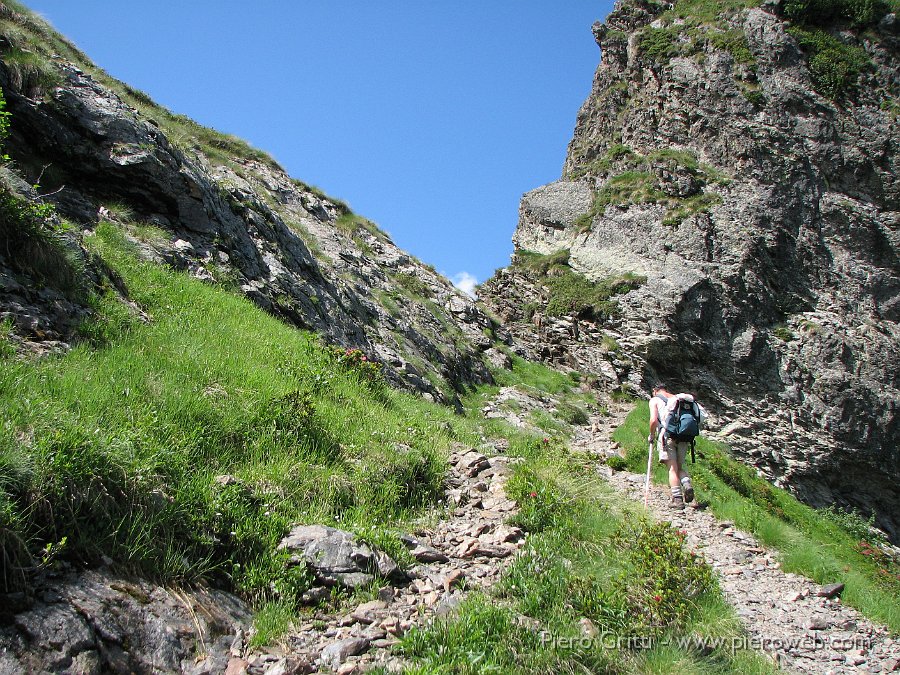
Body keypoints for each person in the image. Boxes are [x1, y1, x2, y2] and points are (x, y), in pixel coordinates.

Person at [648, 383, 704, 510]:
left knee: (672, 468)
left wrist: (651, 436)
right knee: (680, 467)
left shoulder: (655, 400)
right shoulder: (677, 399)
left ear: (655, 391)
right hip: (683, 438)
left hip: (667, 437)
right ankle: (686, 483)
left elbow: (653, 421)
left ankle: (677, 500)